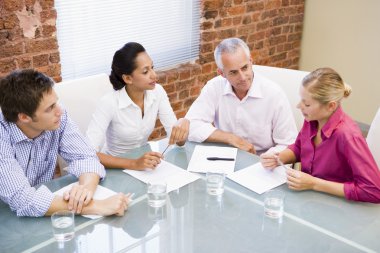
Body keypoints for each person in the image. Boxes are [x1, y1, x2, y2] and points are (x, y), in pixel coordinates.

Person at [0, 69, 130, 217]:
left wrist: (84, 191)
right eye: (50, 108)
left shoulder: (58, 117)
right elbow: (21, 199)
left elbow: (85, 157)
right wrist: (97, 206)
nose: (59, 110)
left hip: (46, 210)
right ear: (24, 117)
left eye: (55, 103)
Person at [260, 67, 380, 203]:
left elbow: (373, 191)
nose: (299, 106)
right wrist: (279, 158)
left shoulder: (348, 136)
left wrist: (314, 183)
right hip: (309, 200)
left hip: (338, 207)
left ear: (330, 106)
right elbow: (300, 148)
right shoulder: (311, 119)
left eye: (306, 103)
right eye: (301, 99)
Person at [86, 42, 189, 170]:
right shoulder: (109, 102)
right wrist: (134, 164)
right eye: (145, 72)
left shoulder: (158, 91)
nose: (154, 75)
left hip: (145, 165)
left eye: (152, 67)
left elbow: (177, 141)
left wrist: (182, 129)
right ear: (128, 78)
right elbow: (88, 153)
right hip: (115, 168)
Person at [185, 38, 297, 154]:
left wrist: (264, 160)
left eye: (245, 68)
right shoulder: (214, 87)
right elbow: (191, 125)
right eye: (233, 72)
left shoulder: (274, 94)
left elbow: (288, 143)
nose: (242, 77)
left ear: (251, 61)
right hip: (225, 158)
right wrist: (232, 138)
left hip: (263, 161)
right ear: (221, 73)